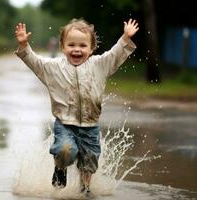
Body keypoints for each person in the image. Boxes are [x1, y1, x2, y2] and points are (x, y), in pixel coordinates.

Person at [14, 18, 139, 195]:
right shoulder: (54, 67)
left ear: (92, 48)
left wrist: (125, 38)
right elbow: (35, 62)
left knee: (89, 162)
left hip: (91, 126)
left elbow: (115, 54)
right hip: (65, 124)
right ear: (63, 46)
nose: (77, 49)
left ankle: (85, 188)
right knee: (66, 149)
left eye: (82, 45)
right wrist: (24, 45)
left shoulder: (99, 65)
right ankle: (60, 167)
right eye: (71, 44)